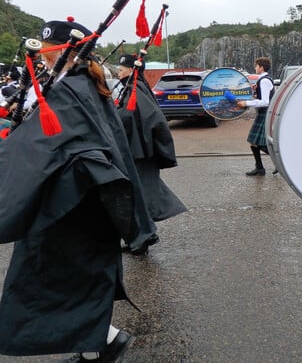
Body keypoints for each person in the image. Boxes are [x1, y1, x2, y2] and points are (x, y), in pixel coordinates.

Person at [0, 18, 145, 361]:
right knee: (79, 278)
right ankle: (100, 345)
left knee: (63, 277)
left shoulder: (70, 89)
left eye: (50, 52)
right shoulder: (78, 85)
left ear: (66, 52)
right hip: (78, 201)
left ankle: (104, 345)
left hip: (72, 204)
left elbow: (59, 146)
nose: (44, 58)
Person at [115, 54, 187, 254]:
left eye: (121, 70)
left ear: (131, 70)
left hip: (140, 151)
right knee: (144, 192)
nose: (118, 73)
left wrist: (113, 116)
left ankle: (143, 238)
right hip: (138, 149)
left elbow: (146, 117)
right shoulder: (134, 88)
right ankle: (145, 235)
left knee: (140, 194)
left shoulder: (135, 89)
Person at [237, 57, 275, 176]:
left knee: (259, 143)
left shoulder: (264, 81)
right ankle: (259, 168)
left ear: (261, 67)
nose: (255, 67)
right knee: (254, 142)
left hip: (265, 113)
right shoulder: (264, 80)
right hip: (264, 113)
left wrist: (246, 103)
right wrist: (255, 91)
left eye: (256, 65)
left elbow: (265, 101)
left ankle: (281, 162)